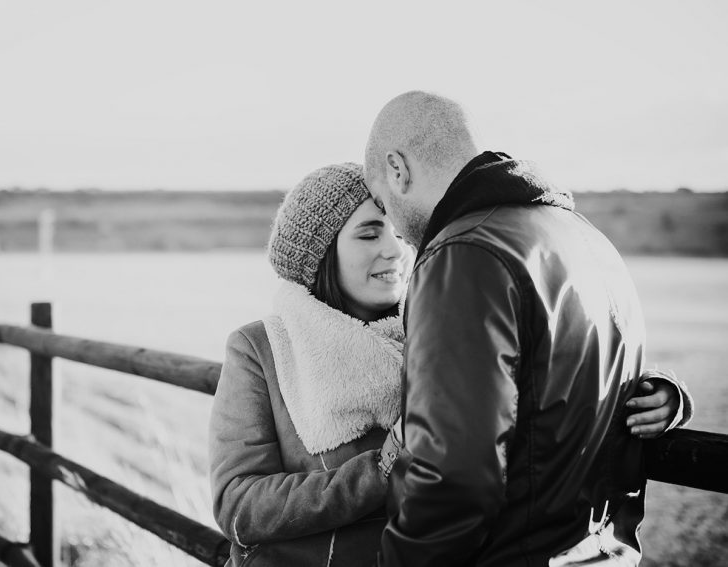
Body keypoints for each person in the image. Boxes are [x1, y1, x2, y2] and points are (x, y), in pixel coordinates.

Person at [209, 162, 690, 567]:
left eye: (398, 231)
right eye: (368, 233)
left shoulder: (440, 323)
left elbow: (559, 371)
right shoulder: (261, 349)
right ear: (319, 257)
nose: (394, 250)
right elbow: (239, 504)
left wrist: (657, 395)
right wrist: (382, 470)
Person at [363, 91, 692, 566]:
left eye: (382, 203)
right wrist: (670, 397)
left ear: (398, 169)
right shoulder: (589, 241)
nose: (394, 228)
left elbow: (454, 476)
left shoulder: (463, 255)